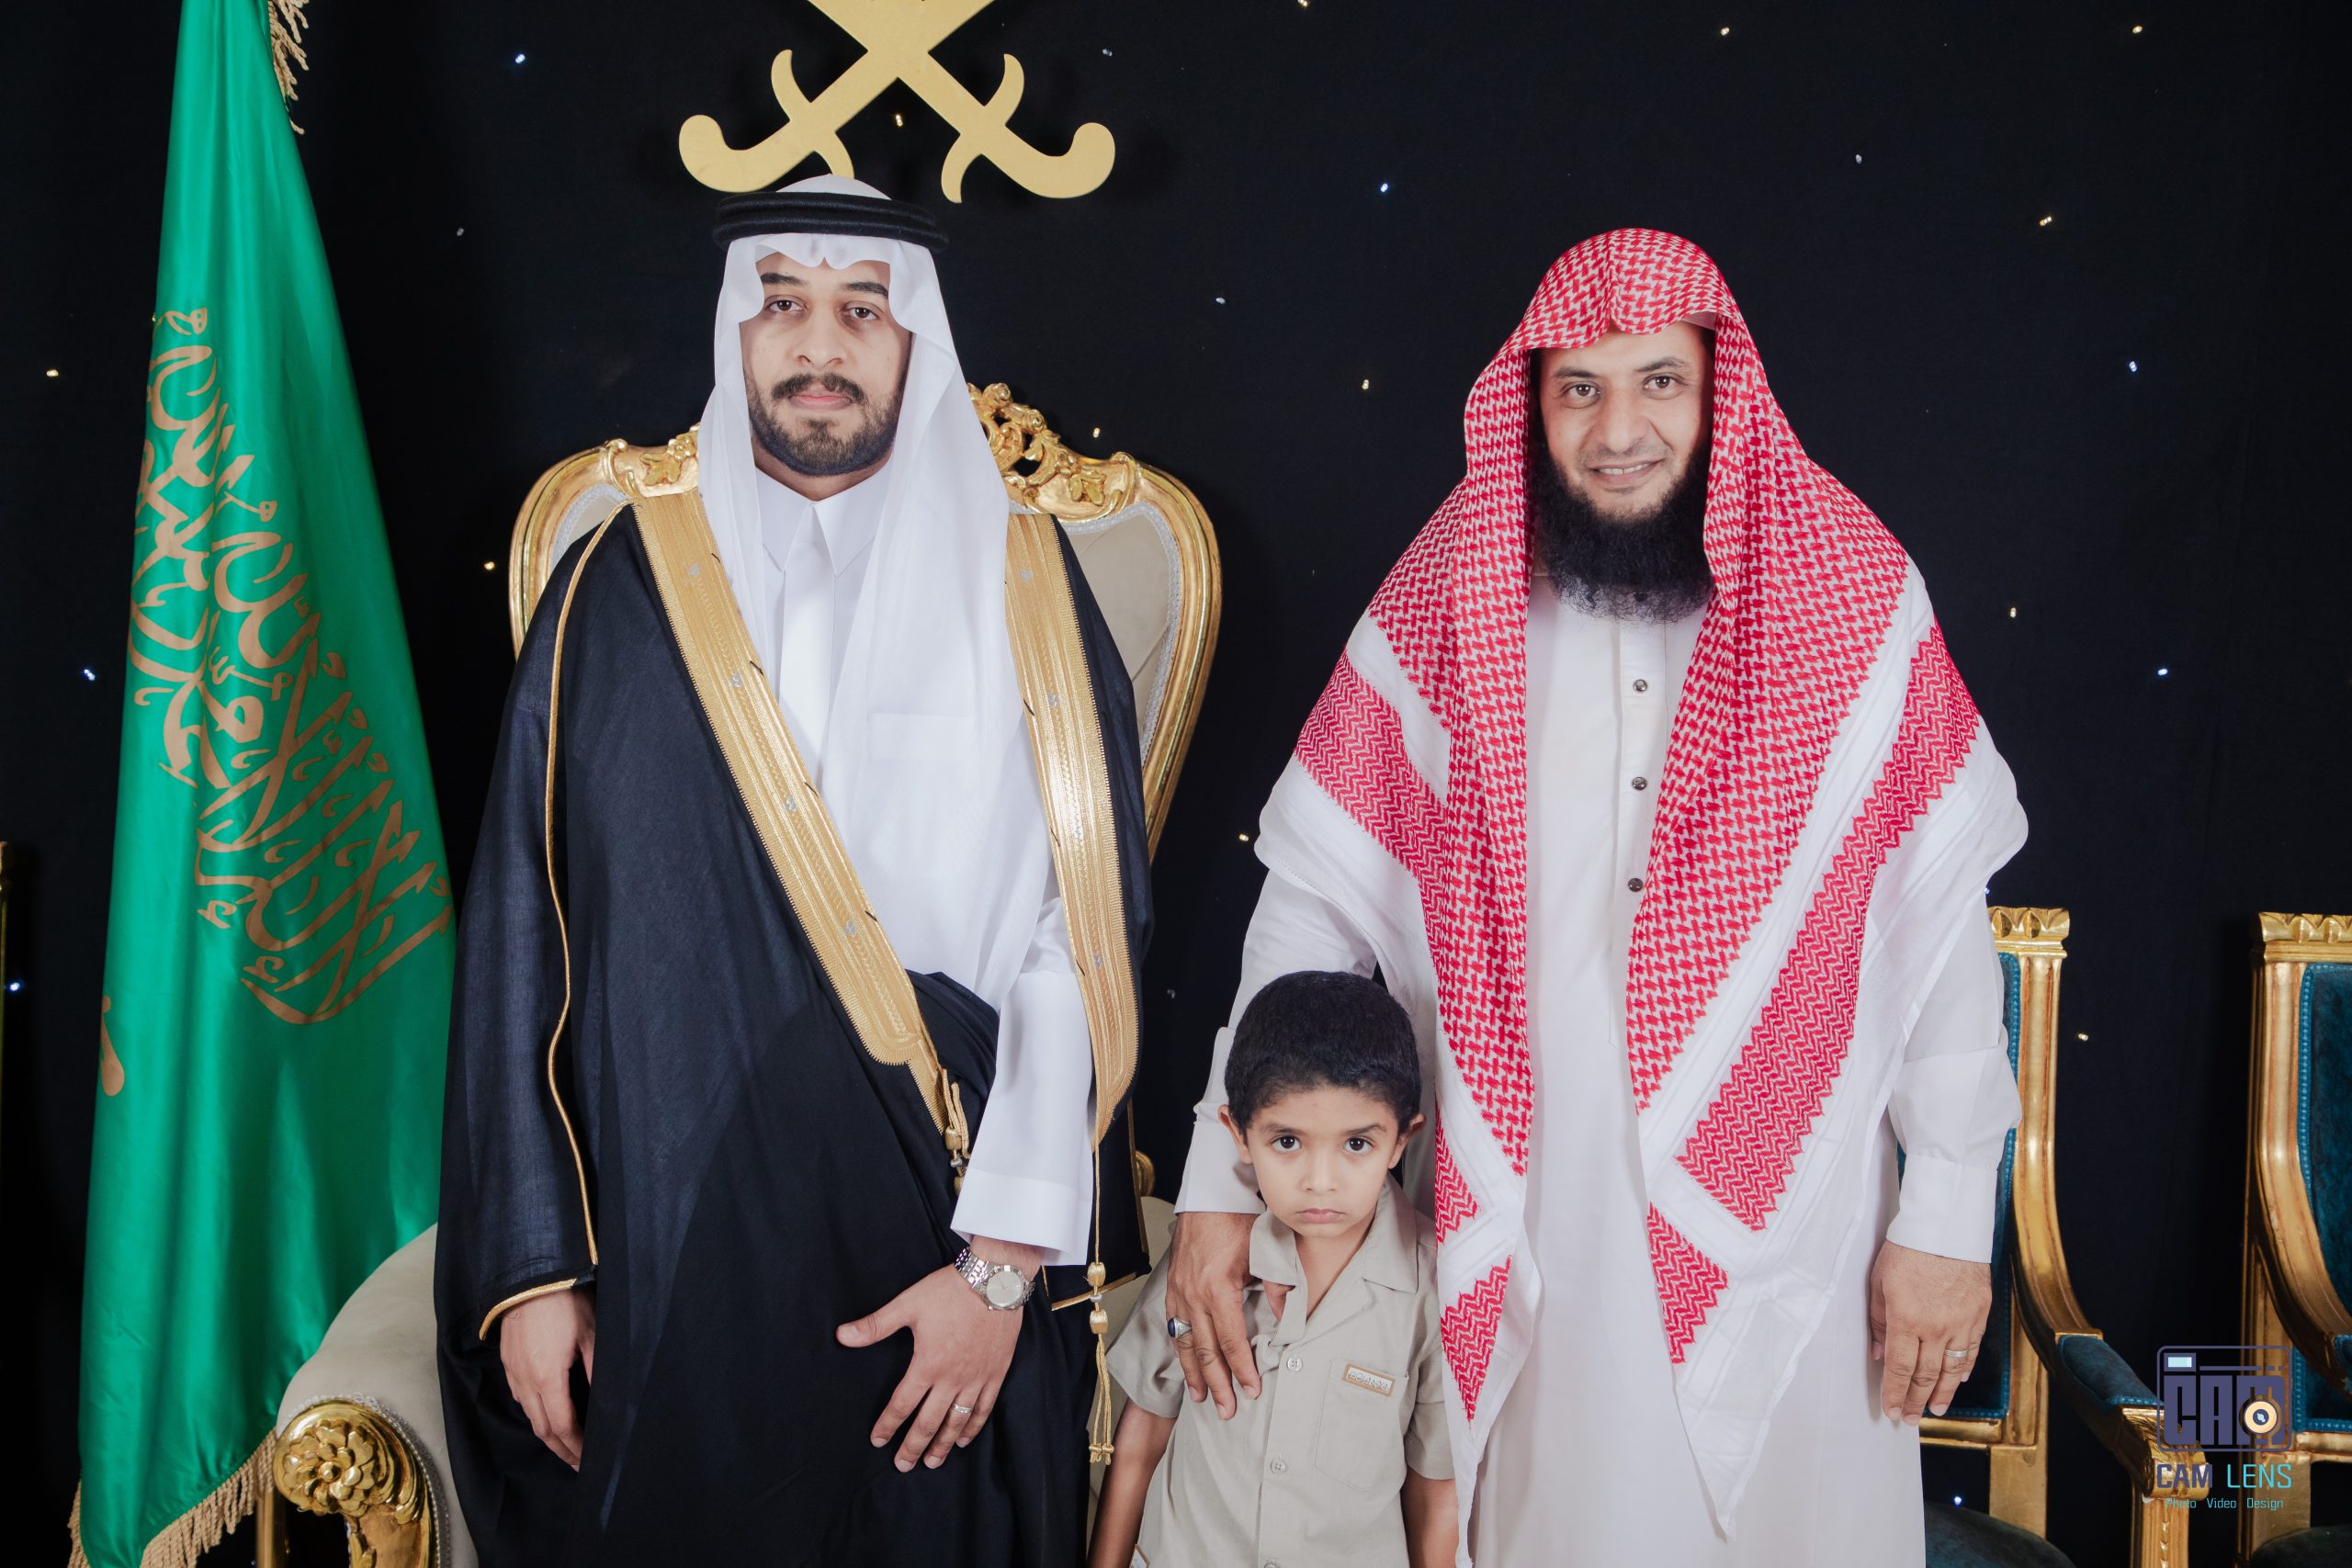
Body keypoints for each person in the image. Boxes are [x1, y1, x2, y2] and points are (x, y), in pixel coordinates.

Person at [1162, 230, 2026, 1564]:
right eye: (1580, 389)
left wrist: (1949, 1222)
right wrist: (1221, 1184)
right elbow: (1309, 915)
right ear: (1535, 402)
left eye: (1658, 382)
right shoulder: (1451, 585)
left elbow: (1937, 930)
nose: (1618, 431)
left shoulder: (1849, 587)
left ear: (1719, 391)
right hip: (1527, 1207)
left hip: (1796, 1214)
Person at [434, 175, 1151, 1567]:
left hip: (939, 1236)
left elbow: (1081, 939)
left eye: (861, 310)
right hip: (668, 1241)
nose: (818, 344)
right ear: (736, 327)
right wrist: (534, 1269)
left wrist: (1001, 1267)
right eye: (782, 303)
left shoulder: (1026, 588)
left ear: (915, 338)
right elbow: (524, 929)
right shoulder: (617, 588)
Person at [1091, 971, 1454, 1568]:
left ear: (1401, 1140)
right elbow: (1143, 1433)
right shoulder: (1205, 1262)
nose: (1320, 1180)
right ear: (1238, 1133)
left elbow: (1434, 1492)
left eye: (1356, 1144)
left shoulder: (1432, 1290)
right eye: (1287, 1141)